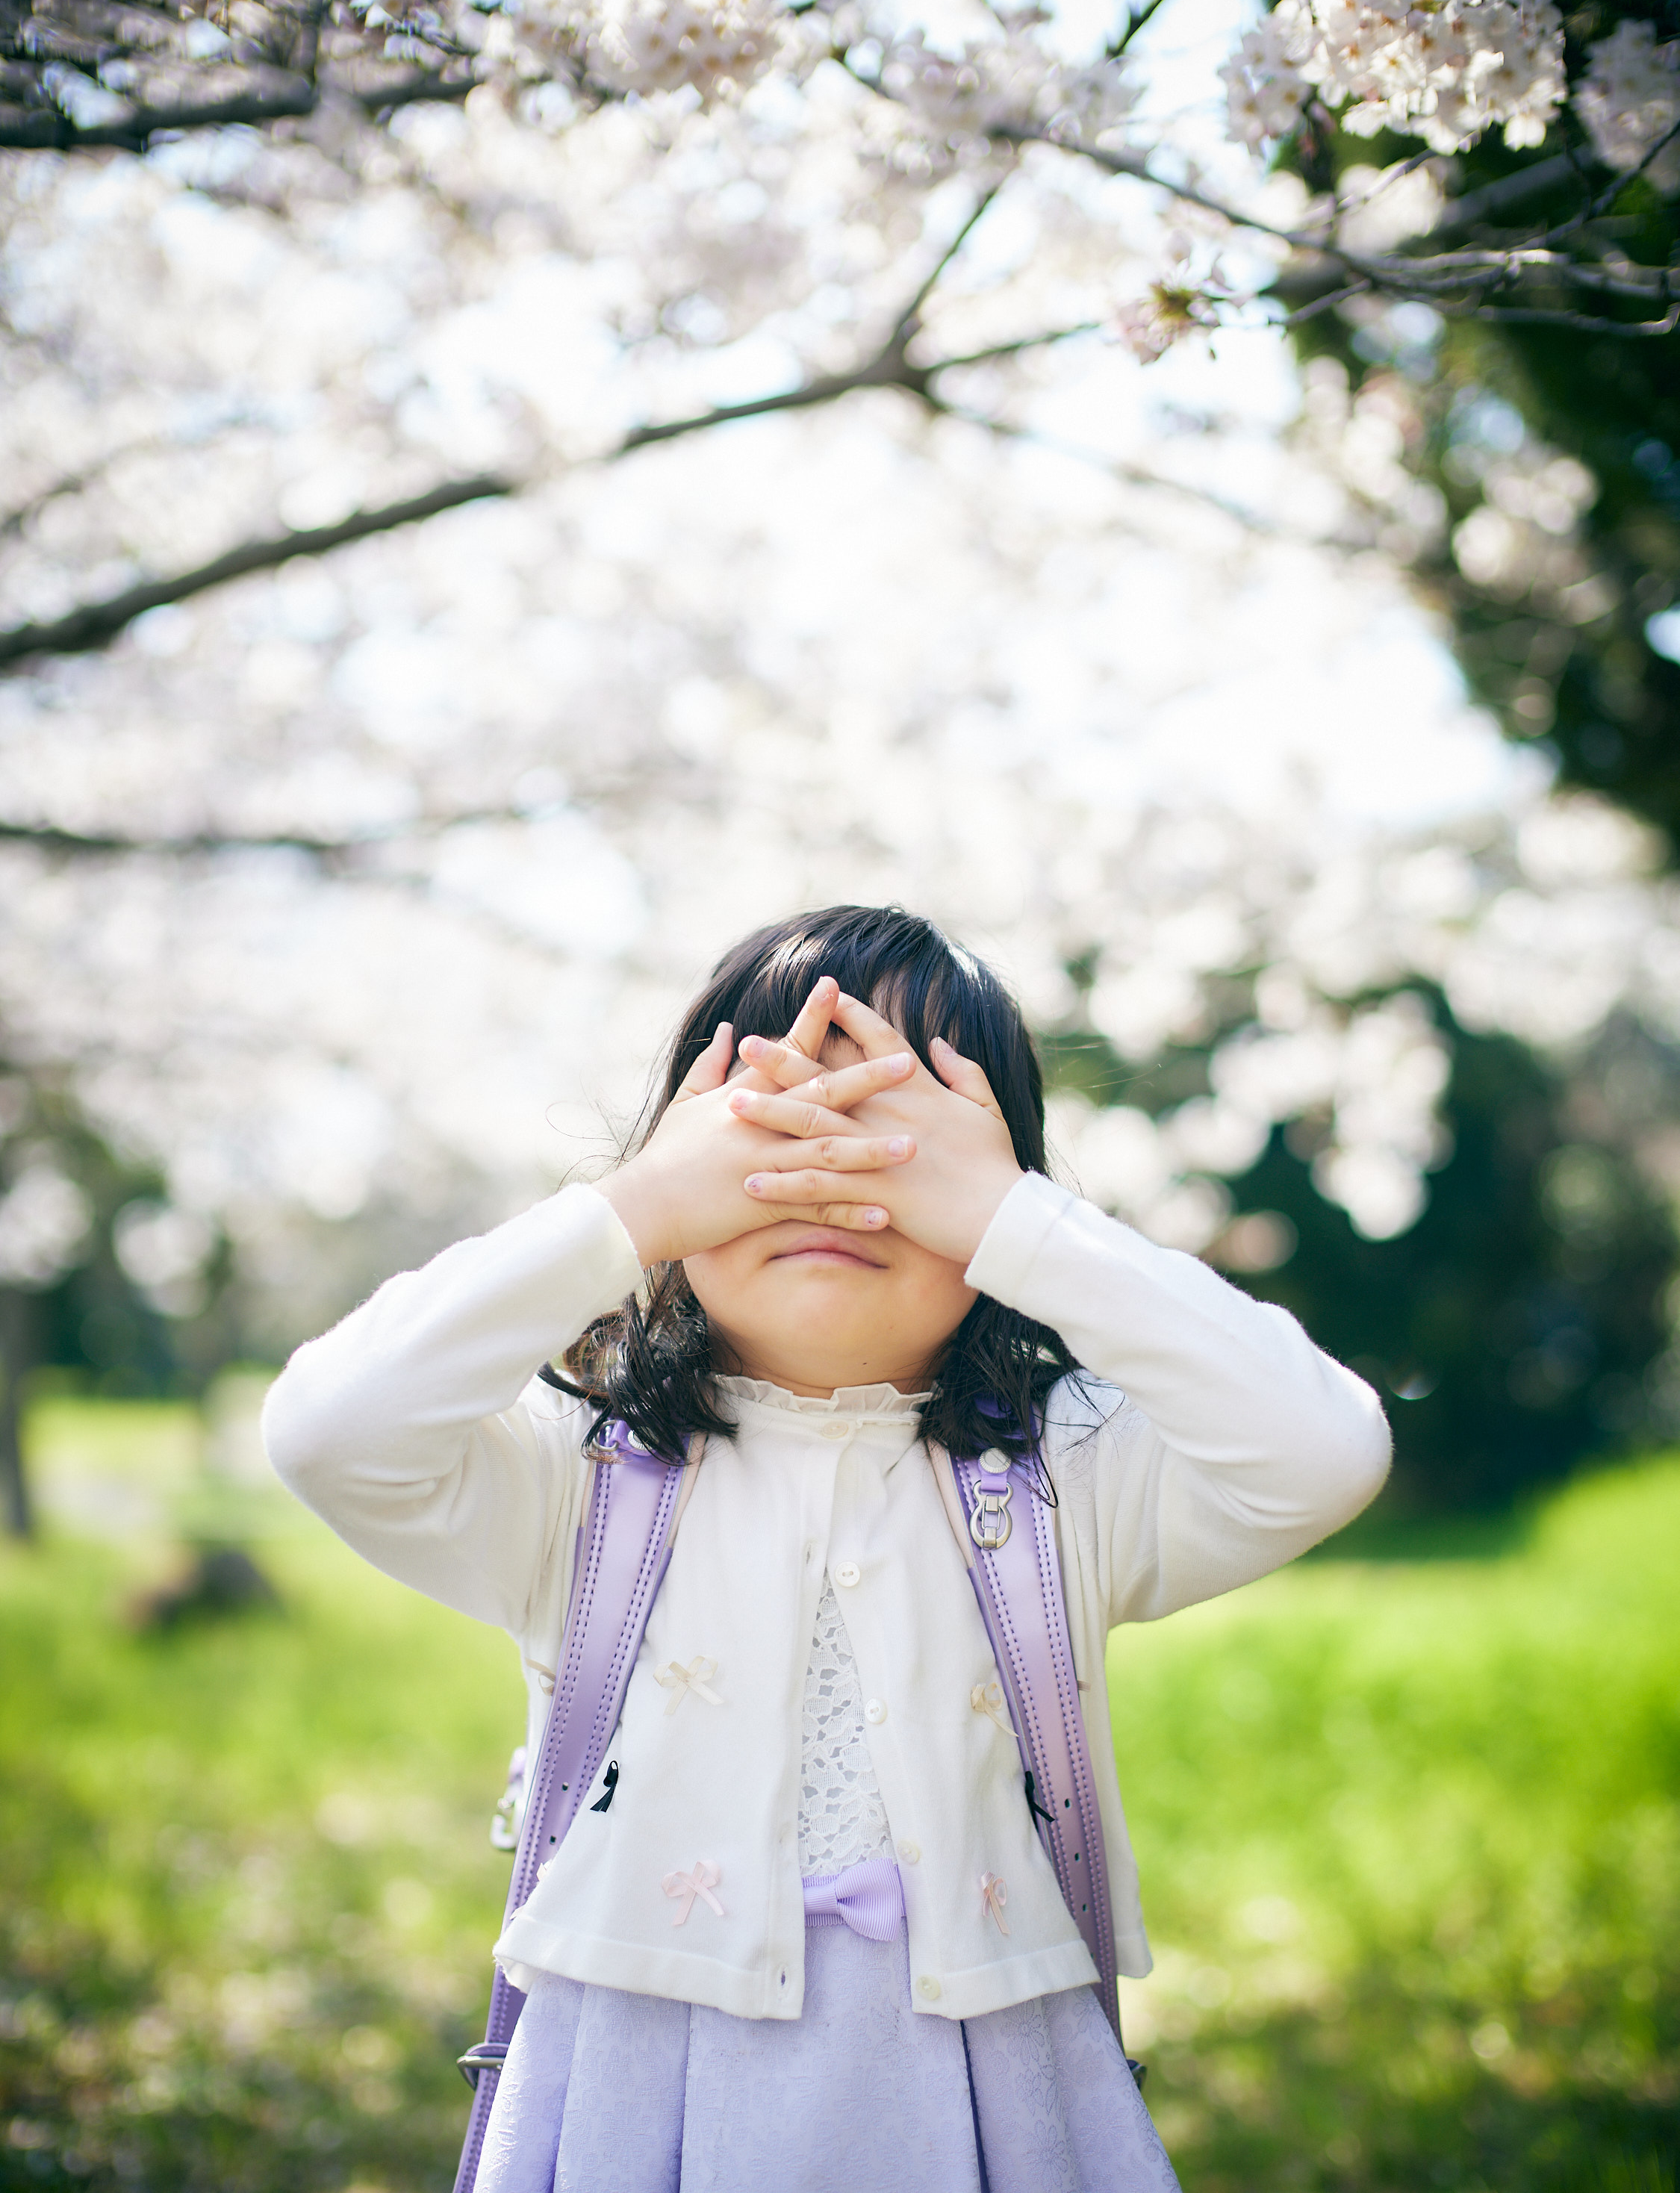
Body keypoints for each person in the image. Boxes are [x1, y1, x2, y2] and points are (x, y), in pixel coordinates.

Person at [264, 903, 1392, 2193]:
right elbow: (327, 1428)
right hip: (638, 2094)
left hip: (990, 2105)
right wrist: (630, 1210)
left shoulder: (1060, 1478)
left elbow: (1322, 1450)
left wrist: (1010, 1219)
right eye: (774, 1122)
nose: (838, 1175)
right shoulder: (574, 1478)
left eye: (900, 1133)